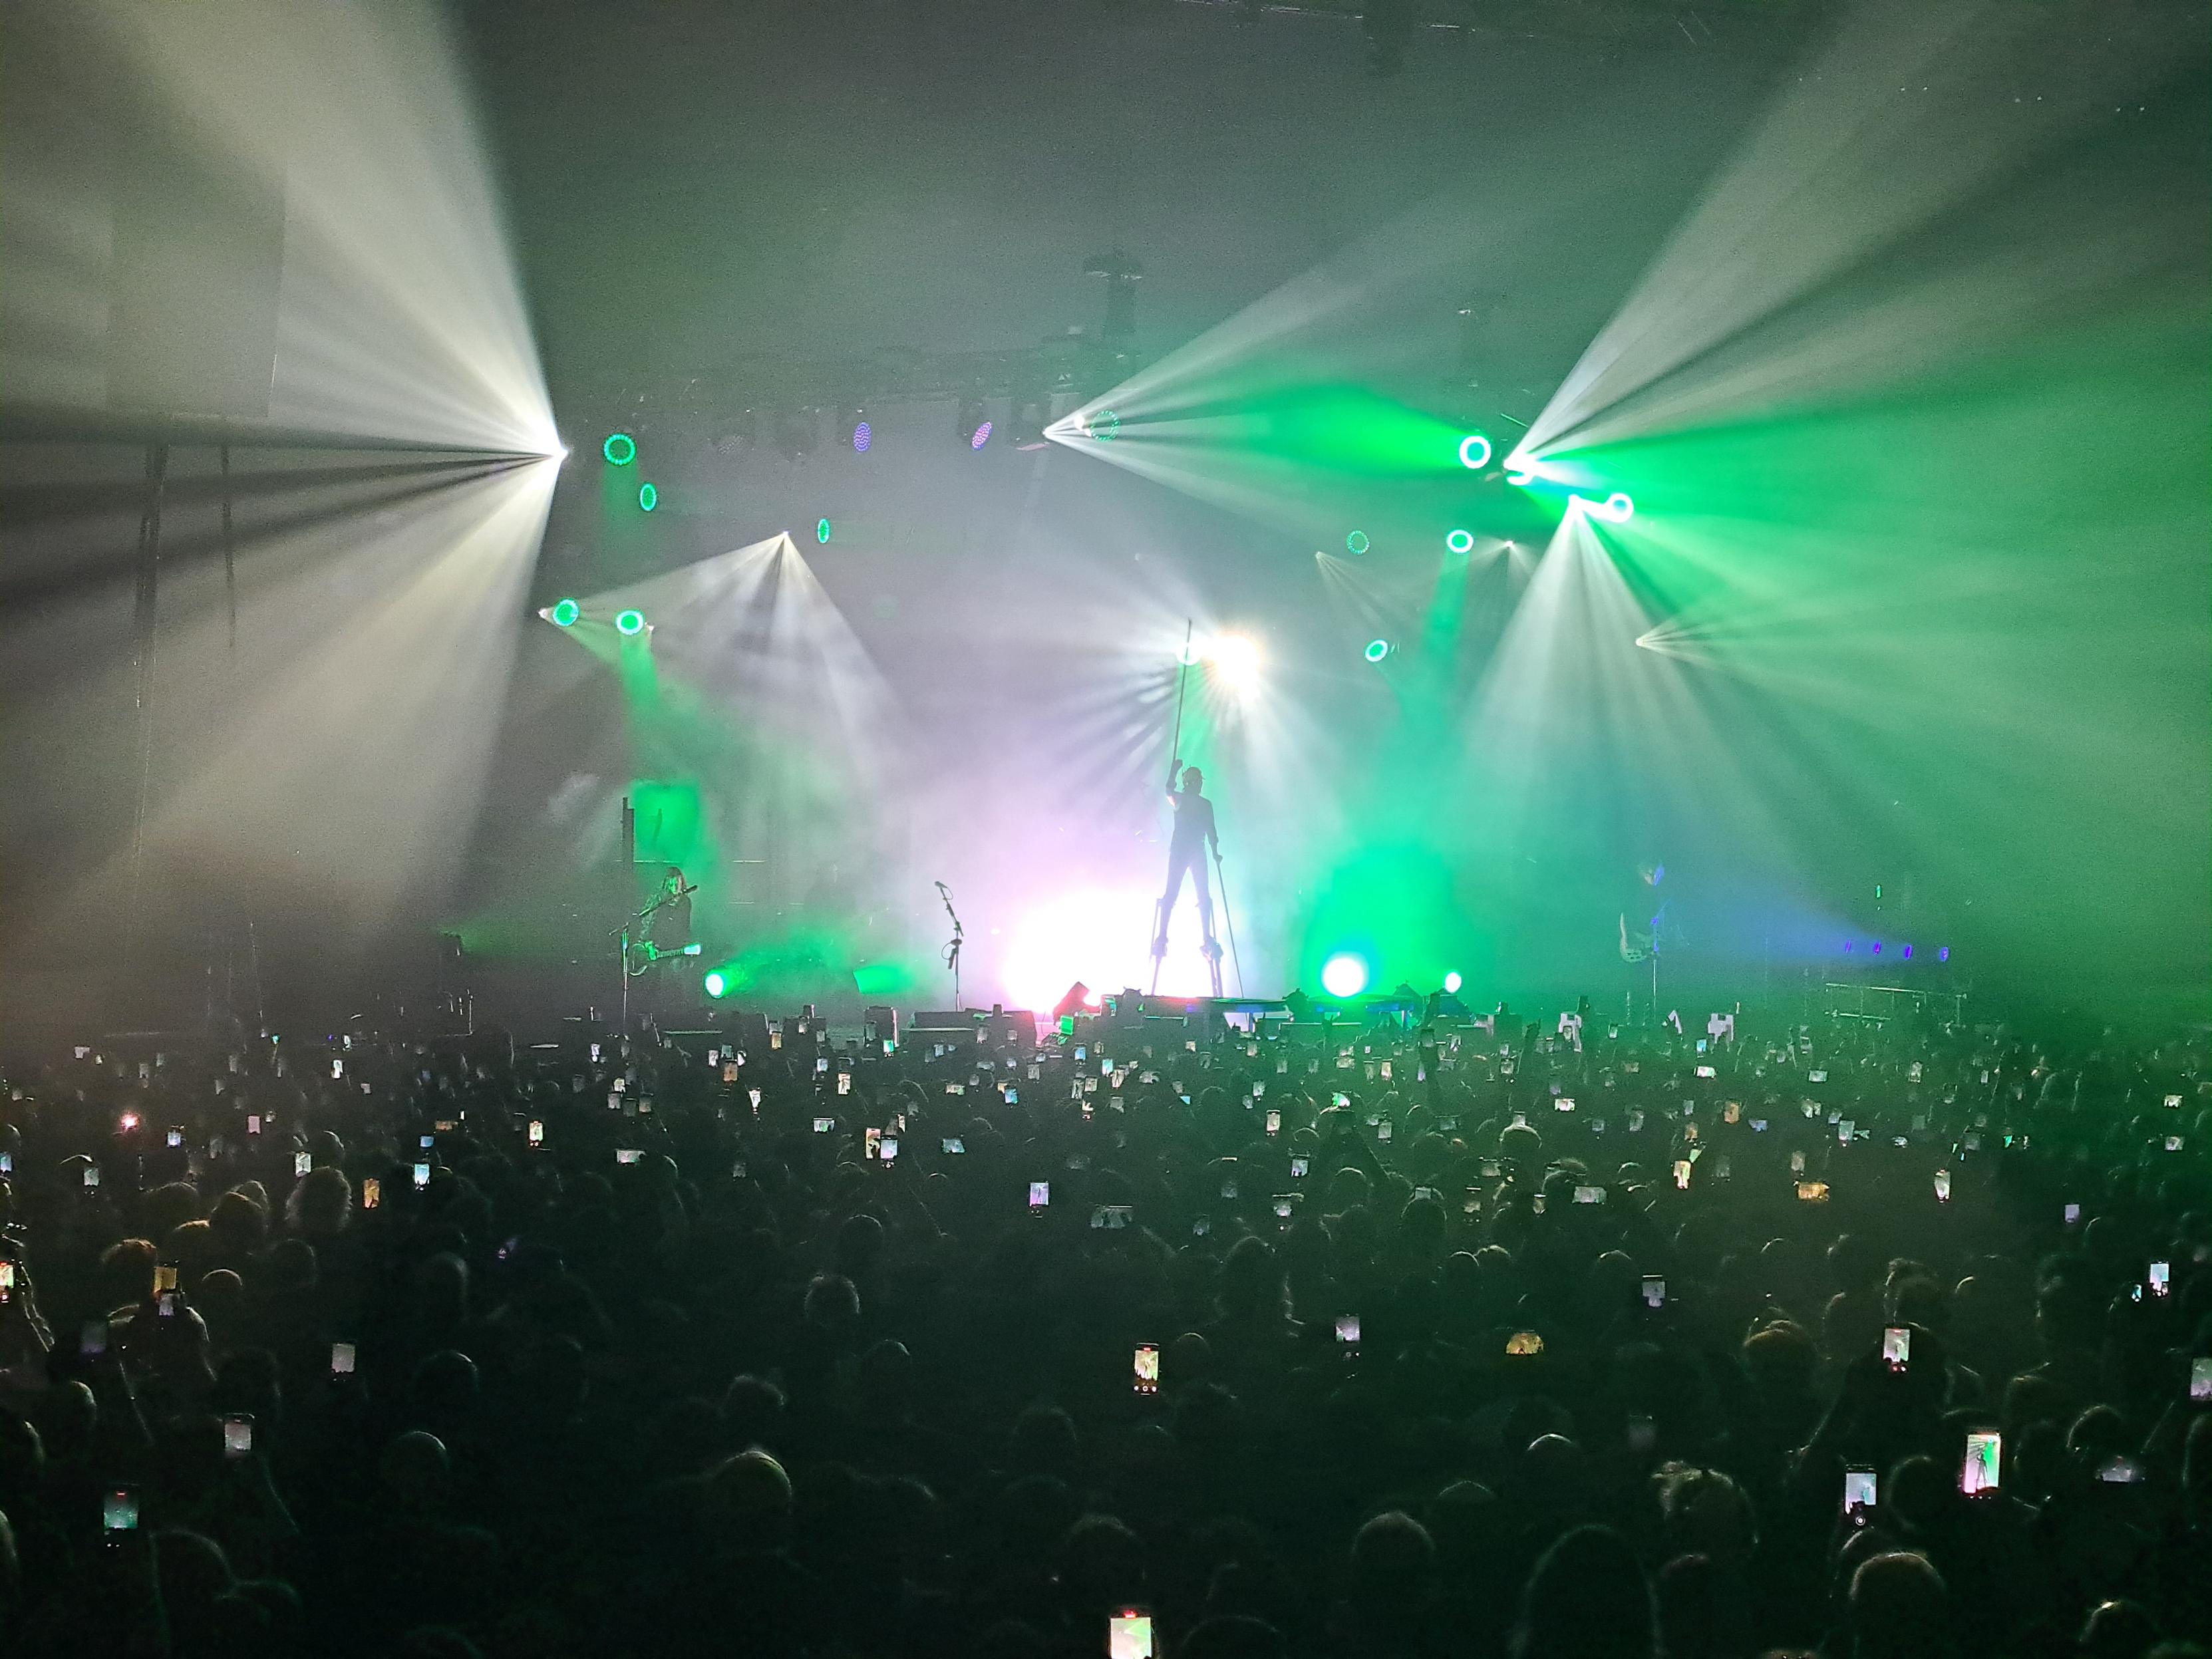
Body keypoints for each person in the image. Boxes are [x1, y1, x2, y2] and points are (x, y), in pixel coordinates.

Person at [1155, 761, 1221, 959]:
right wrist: (1173, 770)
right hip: (1187, 851)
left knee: (1197, 894)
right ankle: (1163, 938)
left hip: (1188, 850)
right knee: (1177, 893)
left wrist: (1215, 851)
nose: (1201, 784)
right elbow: (1169, 791)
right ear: (1192, 783)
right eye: (1198, 781)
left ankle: (1203, 939)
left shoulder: (1194, 802)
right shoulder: (1189, 801)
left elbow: (1211, 830)